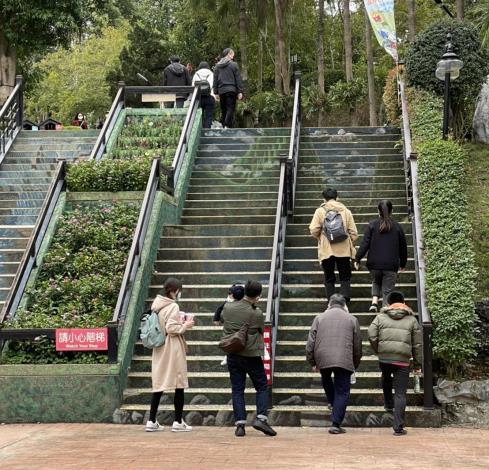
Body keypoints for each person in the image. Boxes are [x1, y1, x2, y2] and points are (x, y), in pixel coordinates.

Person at [221, 280, 277, 437]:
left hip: (232, 353)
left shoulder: (228, 307)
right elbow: (260, 329)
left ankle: (240, 425)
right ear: (258, 295)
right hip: (251, 355)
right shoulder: (256, 313)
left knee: (237, 389)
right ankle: (261, 418)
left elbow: (223, 321)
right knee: (261, 386)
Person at [306, 294, 362, 434]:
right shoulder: (352, 319)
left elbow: (310, 342)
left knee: (326, 380)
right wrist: (354, 362)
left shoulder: (319, 318)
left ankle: (332, 402)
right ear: (345, 306)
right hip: (344, 358)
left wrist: (312, 361)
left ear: (329, 305)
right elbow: (357, 345)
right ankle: (335, 424)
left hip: (322, 357)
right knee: (342, 390)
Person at [367, 291, 422, 436]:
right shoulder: (412, 320)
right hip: (403, 360)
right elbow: (417, 344)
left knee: (385, 376)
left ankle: (388, 403)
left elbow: (371, 334)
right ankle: (398, 427)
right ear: (403, 303)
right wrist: (417, 362)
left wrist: (378, 349)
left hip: (385, 357)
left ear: (388, 303)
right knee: (400, 393)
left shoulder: (380, 317)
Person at [145, 277, 194, 432]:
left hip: (159, 347)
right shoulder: (172, 306)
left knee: (159, 384)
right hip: (172, 348)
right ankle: (178, 421)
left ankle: (151, 420)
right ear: (175, 291)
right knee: (178, 383)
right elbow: (172, 328)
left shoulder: (156, 305)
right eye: (179, 291)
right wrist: (185, 325)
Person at [354, 200, 408, 312]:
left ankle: (374, 302)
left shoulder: (372, 225)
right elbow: (403, 248)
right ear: (392, 211)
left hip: (374, 263)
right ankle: (384, 309)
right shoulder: (397, 227)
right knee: (387, 290)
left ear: (378, 211)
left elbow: (365, 244)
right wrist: (403, 264)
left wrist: (357, 258)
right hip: (390, 264)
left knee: (376, 280)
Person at [309, 188, 358, 304]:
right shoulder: (346, 211)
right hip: (344, 249)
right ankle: (344, 300)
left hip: (327, 250)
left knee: (329, 278)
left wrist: (322, 238)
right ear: (337, 198)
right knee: (345, 276)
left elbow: (313, 229)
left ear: (324, 199)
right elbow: (354, 233)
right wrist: (347, 240)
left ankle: (331, 302)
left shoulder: (320, 211)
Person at [214, 284, 245, 366]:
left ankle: (229, 355)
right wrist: (216, 319)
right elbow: (220, 308)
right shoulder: (228, 302)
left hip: (238, 327)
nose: (229, 295)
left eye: (230, 293)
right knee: (231, 340)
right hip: (231, 327)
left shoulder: (243, 304)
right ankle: (228, 355)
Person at [213, 48, 243, 128]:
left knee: (224, 109)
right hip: (231, 90)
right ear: (229, 54)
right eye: (232, 55)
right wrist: (240, 91)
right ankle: (226, 124)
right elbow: (238, 78)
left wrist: (215, 92)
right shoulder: (234, 65)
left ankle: (225, 127)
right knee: (231, 108)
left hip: (221, 90)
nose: (233, 57)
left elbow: (215, 79)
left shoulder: (217, 66)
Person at [192, 61, 216, 129]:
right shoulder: (211, 74)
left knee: (199, 115)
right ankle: (207, 130)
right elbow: (214, 86)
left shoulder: (196, 74)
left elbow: (193, 86)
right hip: (210, 97)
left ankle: (200, 130)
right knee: (209, 115)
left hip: (198, 97)